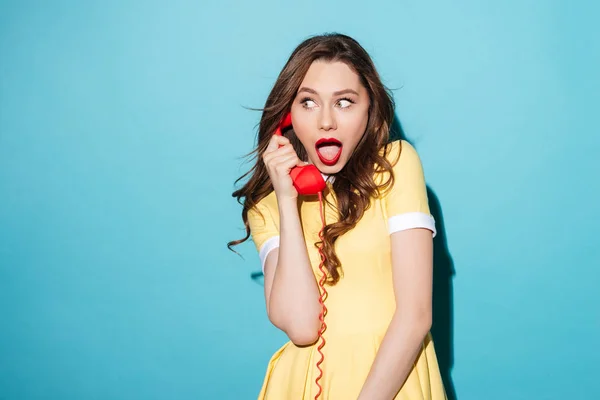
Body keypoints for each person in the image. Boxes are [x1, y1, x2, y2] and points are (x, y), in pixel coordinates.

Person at [229, 33, 447, 400]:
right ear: (288, 116)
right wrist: (286, 199)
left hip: (390, 387)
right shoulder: (266, 207)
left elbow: (416, 316)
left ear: (369, 109)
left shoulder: (395, 167)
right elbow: (302, 327)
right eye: (308, 103)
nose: (326, 121)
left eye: (344, 102)